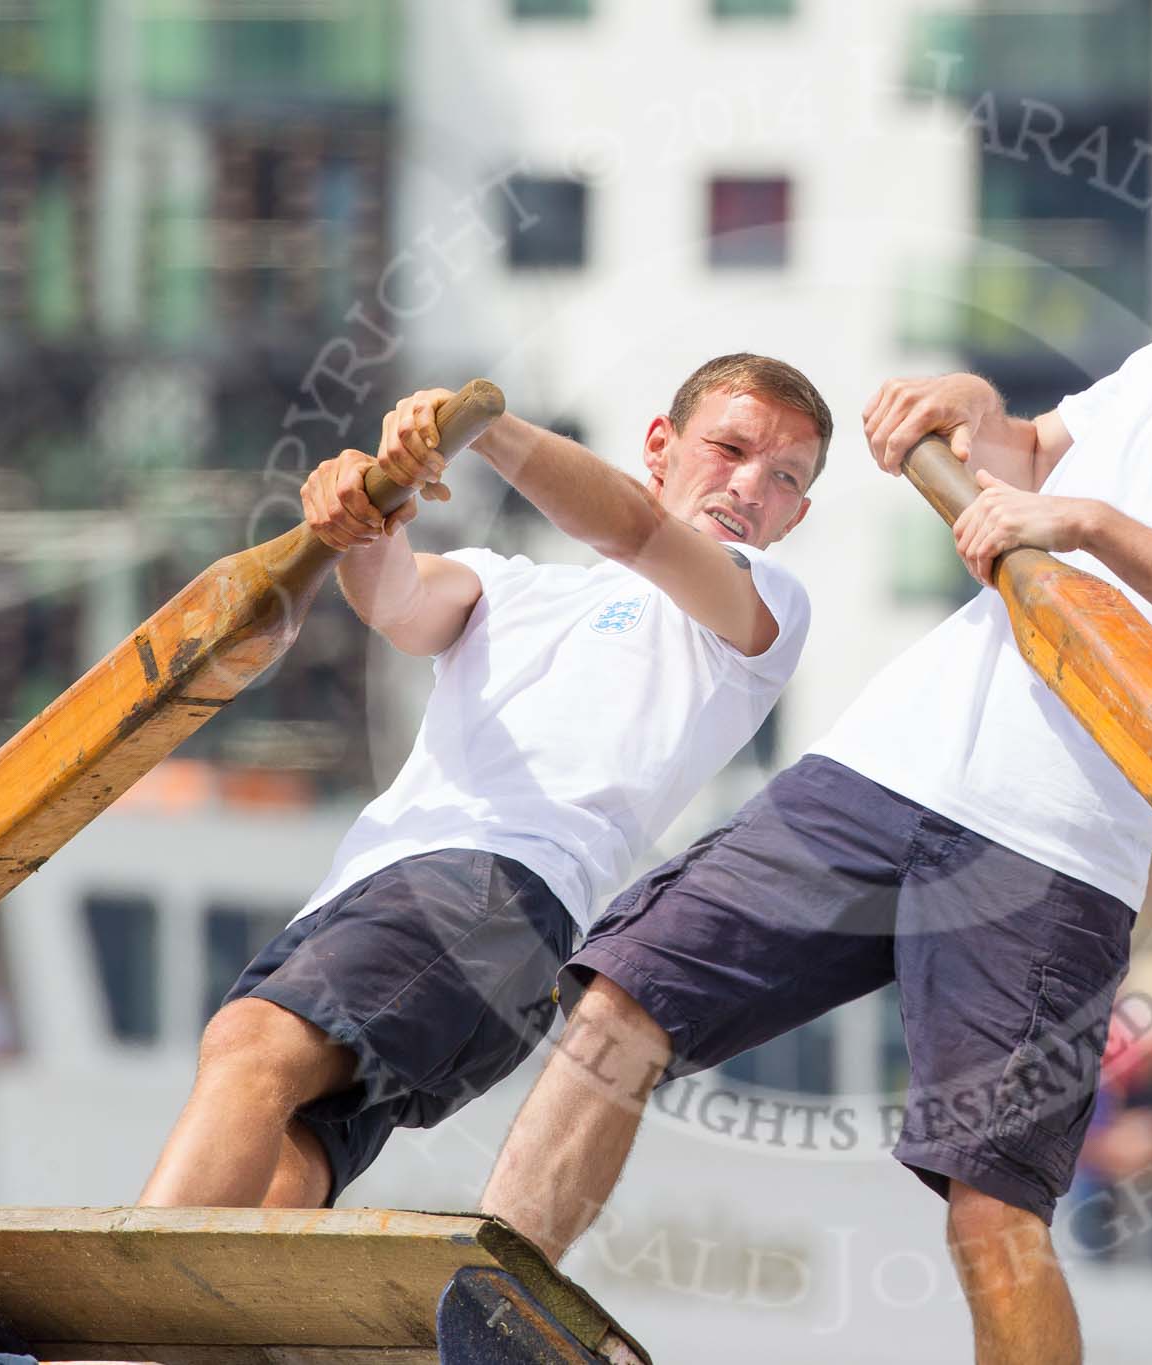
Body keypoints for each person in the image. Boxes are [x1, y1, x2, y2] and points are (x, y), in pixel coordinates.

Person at [479, 93, 1152, 1364]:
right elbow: (1039, 452)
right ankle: (491, 1312)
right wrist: (973, 406)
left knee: (992, 1216)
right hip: (886, 763)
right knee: (620, 1007)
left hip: (1054, 844)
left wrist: (1095, 529)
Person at [139, 354, 829, 1208]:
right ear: (661, 444)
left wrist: (483, 428)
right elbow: (395, 603)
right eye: (729, 448)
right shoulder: (508, 583)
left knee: (251, 1044)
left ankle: (105, 1340)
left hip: (494, 884)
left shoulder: (763, 608)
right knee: (291, 1144)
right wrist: (364, 504)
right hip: (385, 881)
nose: (751, 486)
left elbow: (635, 532)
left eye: (785, 477)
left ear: (797, 513)